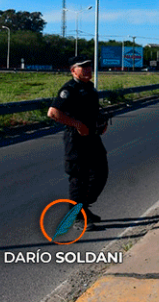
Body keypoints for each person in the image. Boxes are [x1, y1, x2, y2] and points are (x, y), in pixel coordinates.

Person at [47, 55, 110, 231]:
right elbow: (53, 113)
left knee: (100, 174)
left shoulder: (89, 88)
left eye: (90, 66)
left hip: (92, 138)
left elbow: (92, 112)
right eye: (83, 67)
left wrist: (101, 123)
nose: (88, 69)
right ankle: (76, 218)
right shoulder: (70, 89)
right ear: (73, 70)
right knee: (79, 180)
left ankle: (83, 208)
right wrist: (77, 124)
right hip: (76, 139)